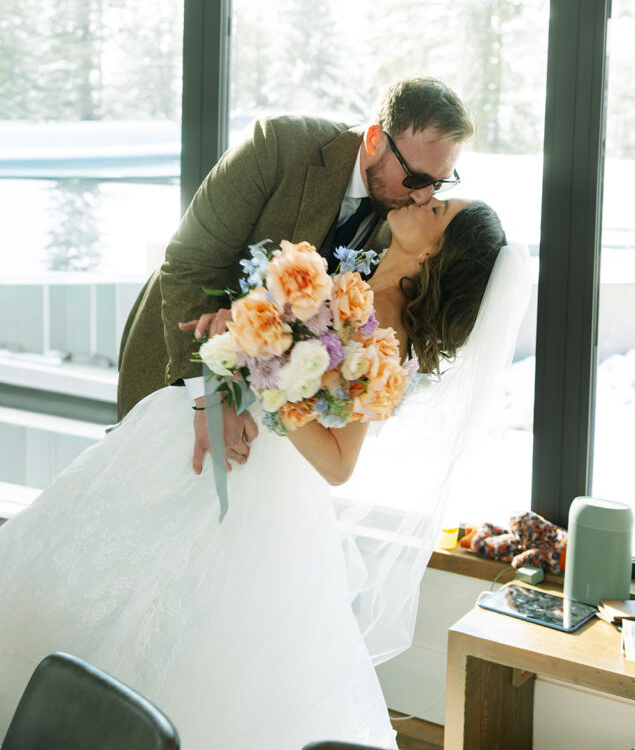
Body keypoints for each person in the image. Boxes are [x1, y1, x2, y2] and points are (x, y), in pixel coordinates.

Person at [0, 195, 515, 750]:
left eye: (438, 209)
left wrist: (267, 377)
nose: (423, 198)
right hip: (190, 434)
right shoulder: (360, 274)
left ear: (436, 249)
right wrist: (238, 337)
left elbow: (339, 464)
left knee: (190, 638)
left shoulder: (386, 321)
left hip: (253, 481)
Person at [117, 77, 475, 474]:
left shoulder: (405, 226)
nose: (424, 196)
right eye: (417, 179)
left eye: (439, 183)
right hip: (181, 369)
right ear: (375, 140)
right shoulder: (278, 146)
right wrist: (210, 398)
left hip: (268, 432)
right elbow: (189, 262)